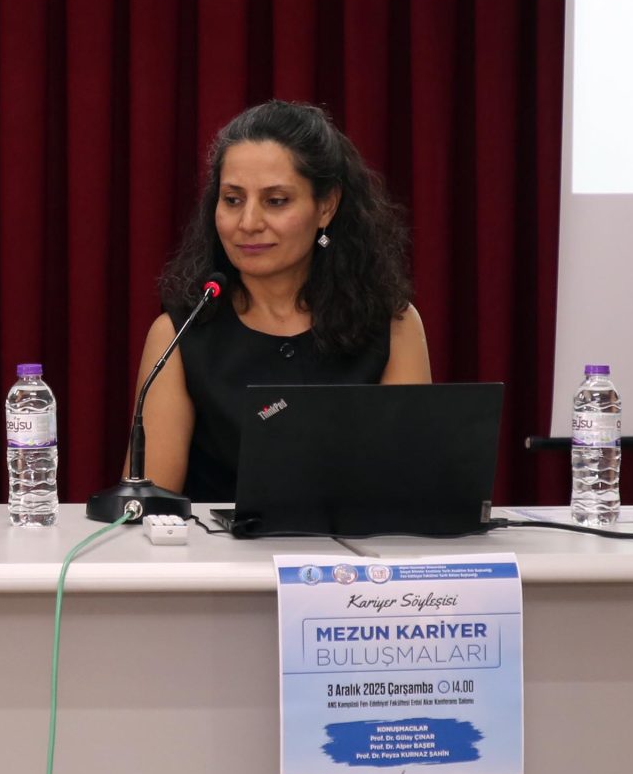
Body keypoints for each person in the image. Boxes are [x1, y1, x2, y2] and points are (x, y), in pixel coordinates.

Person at [133, 99, 430, 499]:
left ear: (326, 206)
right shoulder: (179, 332)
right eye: (233, 200)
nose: (248, 223)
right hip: (214, 541)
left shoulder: (393, 326)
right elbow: (148, 507)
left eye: (275, 201)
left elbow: (411, 492)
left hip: (356, 541)